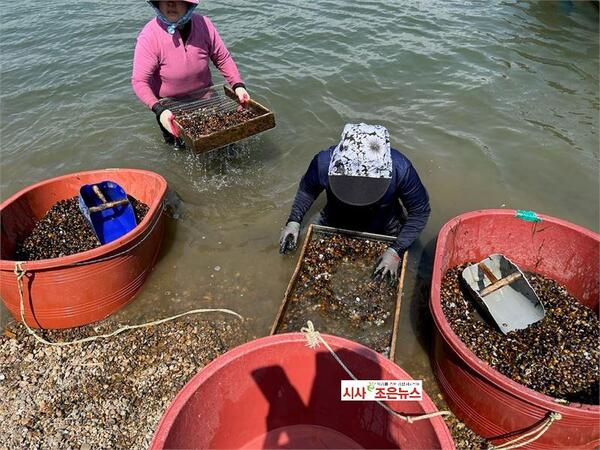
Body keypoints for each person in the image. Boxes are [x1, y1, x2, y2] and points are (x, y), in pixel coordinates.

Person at [279, 123, 431, 285]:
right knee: (296, 256)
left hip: (385, 224)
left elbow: (419, 211)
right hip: (334, 219)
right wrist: (294, 221)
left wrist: (396, 250)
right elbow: (307, 191)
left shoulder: (401, 168)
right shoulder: (324, 163)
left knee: (419, 271)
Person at [132, 0, 250, 146]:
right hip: (170, 110)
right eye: (165, 0)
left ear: (189, 5)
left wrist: (238, 85)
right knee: (180, 152)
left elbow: (222, 58)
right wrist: (159, 110)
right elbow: (139, 81)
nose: (170, 4)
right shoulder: (149, 35)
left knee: (227, 146)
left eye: (177, 1)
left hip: (208, 100)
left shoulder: (204, 24)